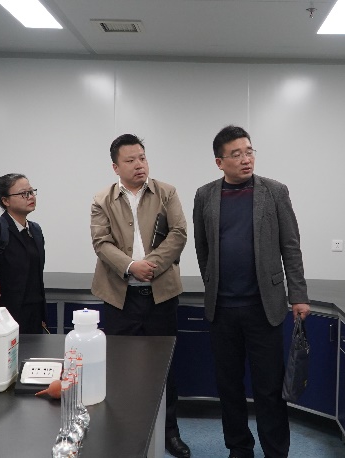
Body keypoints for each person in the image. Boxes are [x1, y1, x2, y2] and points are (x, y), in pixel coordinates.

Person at [192, 125, 311, 458]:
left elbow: (291, 246)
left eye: (249, 152)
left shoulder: (274, 192)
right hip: (222, 309)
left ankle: (276, 451)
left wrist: (298, 294)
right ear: (220, 162)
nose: (246, 159)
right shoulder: (205, 195)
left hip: (264, 307)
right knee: (229, 386)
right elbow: (202, 248)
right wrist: (213, 284)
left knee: (269, 388)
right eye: (236, 154)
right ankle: (239, 448)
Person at [90, 134, 190, 458]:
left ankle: (170, 433)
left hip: (161, 296)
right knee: (120, 369)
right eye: (130, 160)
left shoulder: (166, 192)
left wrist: (151, 266)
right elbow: (101, 243)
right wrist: (132, 266)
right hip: (120, 298)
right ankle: (123, 433)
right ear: (115, 167)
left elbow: (179, 233)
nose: (139, 165)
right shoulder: (102, 199)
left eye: (142, 158)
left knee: (165, 368)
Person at [0, 174, 46, 334]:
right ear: (6, 201)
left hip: (34, 313)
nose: (30, 197)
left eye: (31, 192)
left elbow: (37, 277)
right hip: (6, 315)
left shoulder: (35, 230)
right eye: (23, 193)